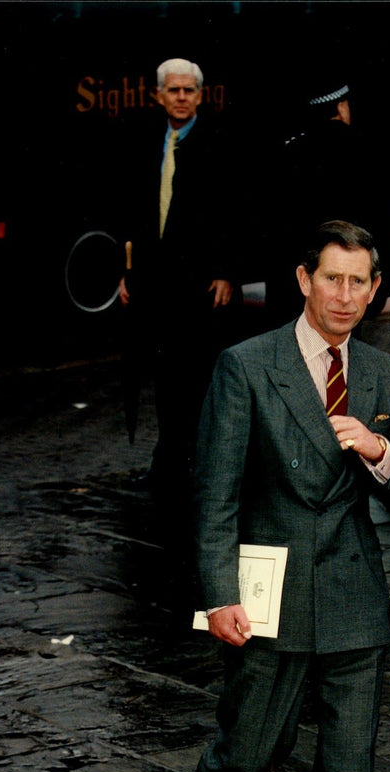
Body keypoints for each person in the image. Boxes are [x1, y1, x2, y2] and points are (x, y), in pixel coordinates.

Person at [163, 221, 390, 772]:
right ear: (303, 280)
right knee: (248, 754)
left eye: (360, 282)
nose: (346, 296)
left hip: (353, 596)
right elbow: (212, 494)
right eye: (332, 279)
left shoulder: (378, 374)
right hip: (269, 593)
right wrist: (217, 595)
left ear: (376, 288)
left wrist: (381, 452)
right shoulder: (247, 367)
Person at [119, 57, 241, 500]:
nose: (182, 97)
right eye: (174, 90)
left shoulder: (218, 142)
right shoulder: (148, 142)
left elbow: (234, 211)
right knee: (165, 377)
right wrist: (128, 273)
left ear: (201, 95)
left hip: (201, 286)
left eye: (190, 91)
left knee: (199, 377)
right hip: (155, 284)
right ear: (159, 95)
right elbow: (135, 212)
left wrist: (228, 272)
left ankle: (197, 464)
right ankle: (167, 462)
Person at [263, 79, 388, 327]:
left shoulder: (290, 151)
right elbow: (381, 222)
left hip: (298, 280)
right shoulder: (368, 151)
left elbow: (274, 222)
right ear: (341, 107)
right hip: (347, 280)